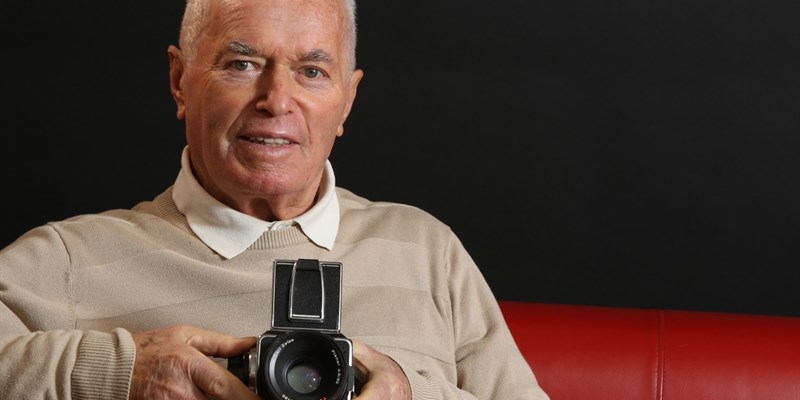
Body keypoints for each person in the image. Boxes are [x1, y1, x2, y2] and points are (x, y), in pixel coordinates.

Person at [0, 0, 550, 399]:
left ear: (347, 101)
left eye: (312, 72)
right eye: (242, 64)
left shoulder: (428, 250)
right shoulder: (70, 259)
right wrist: (119, 374)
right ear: (179, 81)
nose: (276, 101)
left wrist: (411, 393)